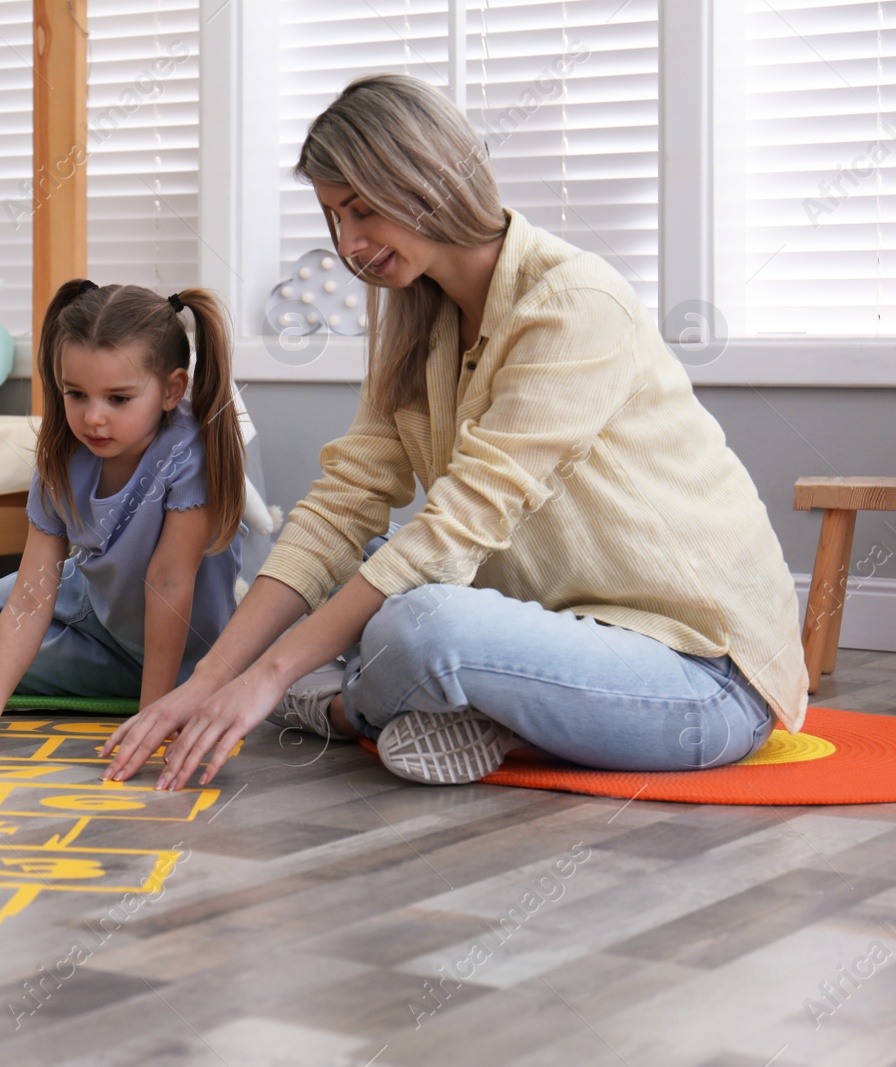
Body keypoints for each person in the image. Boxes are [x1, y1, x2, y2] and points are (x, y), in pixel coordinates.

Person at [101, 73, 807, 790]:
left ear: (425, 178)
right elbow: (344, 504)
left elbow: (465, 521)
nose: (349, 243)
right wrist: (214, 673)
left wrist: (267, 677)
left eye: (362, 210)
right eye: (334, 218)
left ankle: (349, 708)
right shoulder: (414, 318)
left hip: (703, 676)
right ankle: (467, 707)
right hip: (559, 629)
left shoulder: (574, 302)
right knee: (356, 570)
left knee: (422, 623)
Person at [0, 281, 245, 746]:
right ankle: (65, 632)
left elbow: (168, 585)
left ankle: (139, 681)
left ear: (171, 391)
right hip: (92, 594)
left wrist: (154, 712)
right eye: (76, 394)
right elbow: (31, 595)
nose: (93, 418)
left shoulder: (190, 456)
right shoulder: (63, 455)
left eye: (118, 399)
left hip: (158, 644)